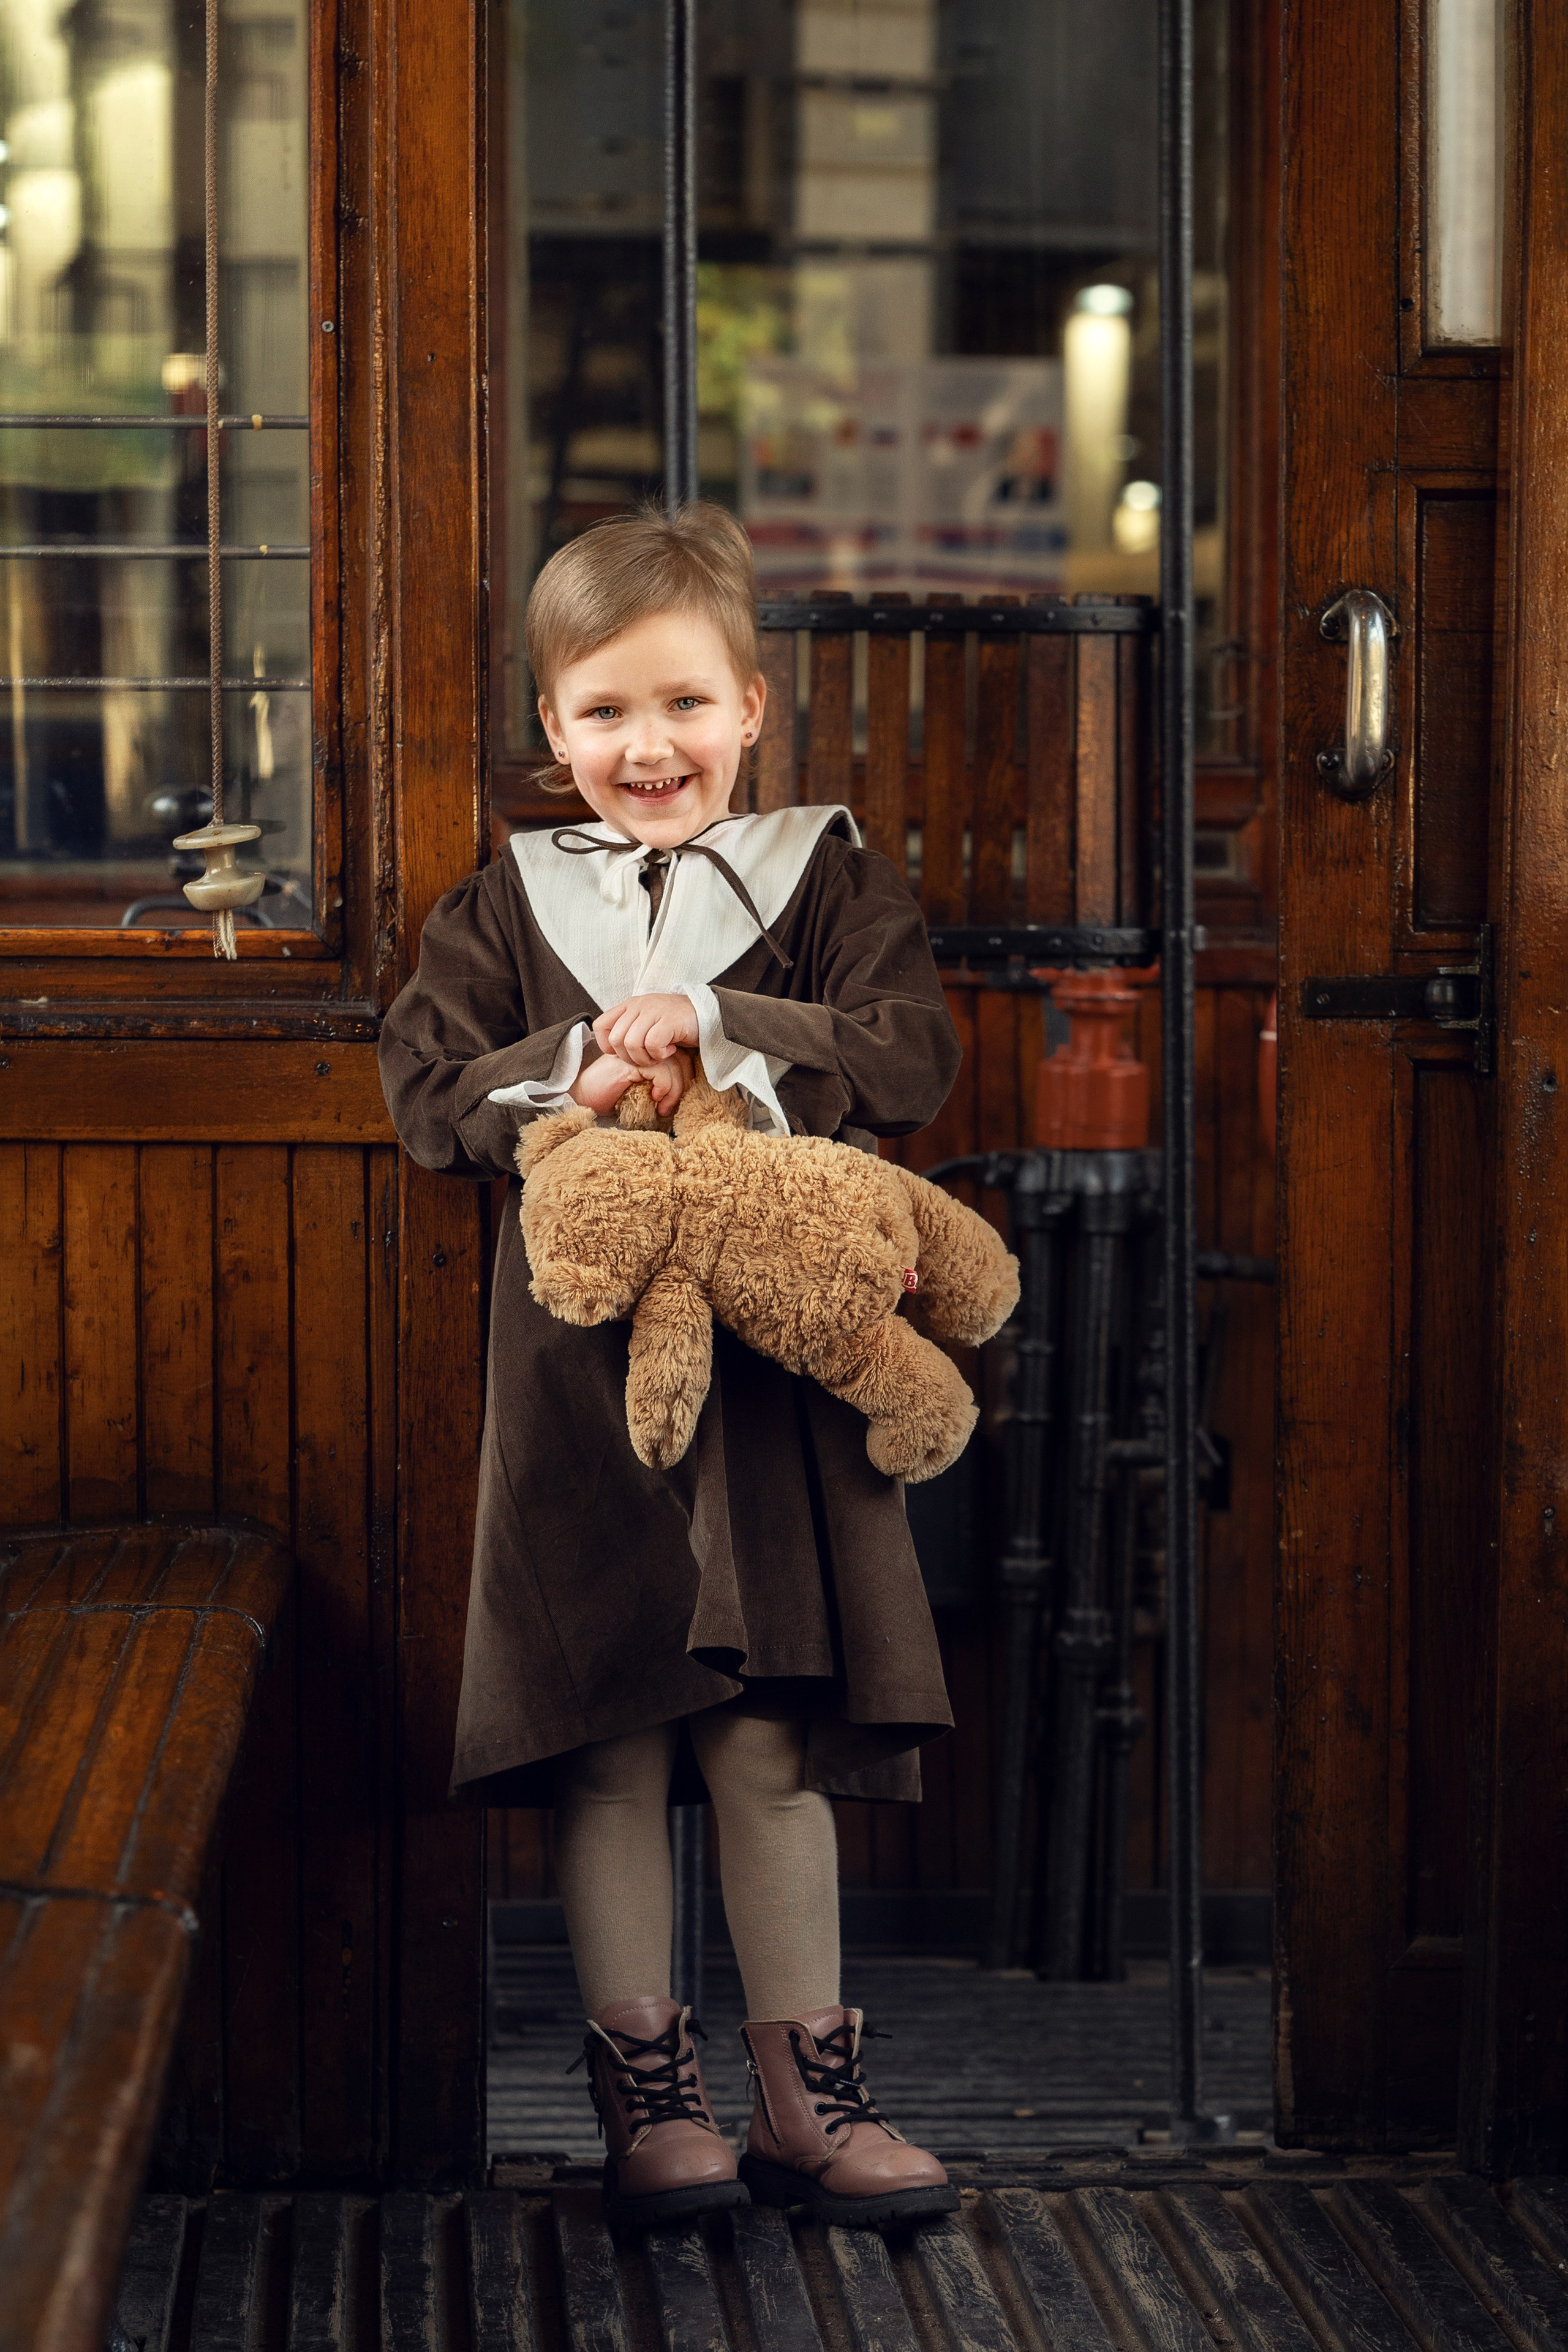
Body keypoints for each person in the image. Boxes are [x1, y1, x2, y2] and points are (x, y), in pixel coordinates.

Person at [379, 503, 967, 2230]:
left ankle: (812, 2101)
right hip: (581, 1380)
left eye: (688, 707)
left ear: (754, 711)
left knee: (768, 1743)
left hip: (781, 1386)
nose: (654, 747)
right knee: (613, 1740)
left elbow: (908, 1054)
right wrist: (580, 1064)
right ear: (554, 730)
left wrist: (722, 1026)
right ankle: (653, 2109)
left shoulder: (832, 879)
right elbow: (427, 1096)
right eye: (610, 713)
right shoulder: (504, 903)